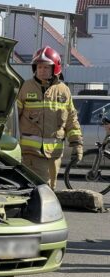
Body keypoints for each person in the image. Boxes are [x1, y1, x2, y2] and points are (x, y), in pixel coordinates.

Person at [16, 46, 83, 190]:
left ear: (55, 69)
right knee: (40, 189)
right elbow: (14, 117)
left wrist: (77, 144)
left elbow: (71, 119)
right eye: (39, 67)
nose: (41, 70)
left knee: (50, 189)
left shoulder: (63, 91)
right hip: (31, 154)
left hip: (54, 155)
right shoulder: (26, 87)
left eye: (46, 67)